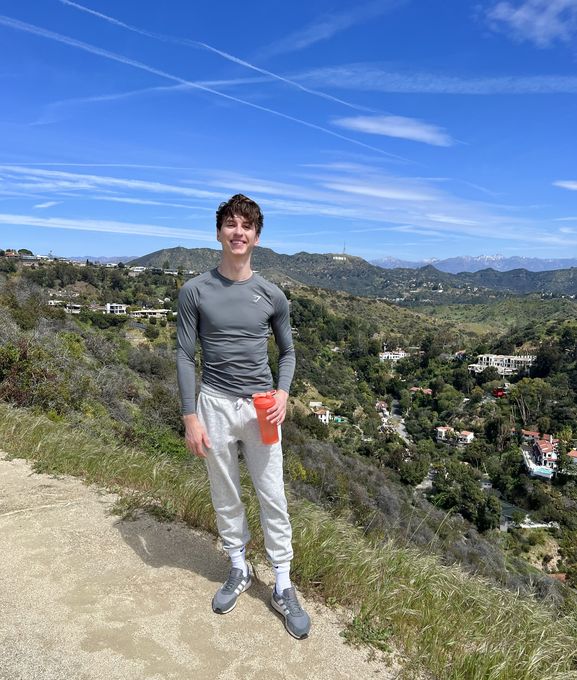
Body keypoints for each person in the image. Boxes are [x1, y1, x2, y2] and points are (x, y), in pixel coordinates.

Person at [176, 194, 311, 640]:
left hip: (261, 408)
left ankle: (283, 583)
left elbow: (288, 352)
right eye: (231, 224)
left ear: (257, 236)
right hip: (213, 404)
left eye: (246, 226)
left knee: (272, 494)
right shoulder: (195, 291)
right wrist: (190, 415)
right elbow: (184, 355)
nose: (238, 232)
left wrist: (284, 393)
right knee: (225, 490)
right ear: (219, 232)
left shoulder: (272, 294)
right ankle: (238, 567)